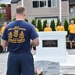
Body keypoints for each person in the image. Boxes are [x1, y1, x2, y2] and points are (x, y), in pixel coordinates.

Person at [1, 5, 39, 75]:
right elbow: (36, 43)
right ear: (24, 14)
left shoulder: (8, 27)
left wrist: (11, 44)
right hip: (25, 55)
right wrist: (30, 43)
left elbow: (3, 44)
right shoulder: (29, 26)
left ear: (15, 14)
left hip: (13, 56)